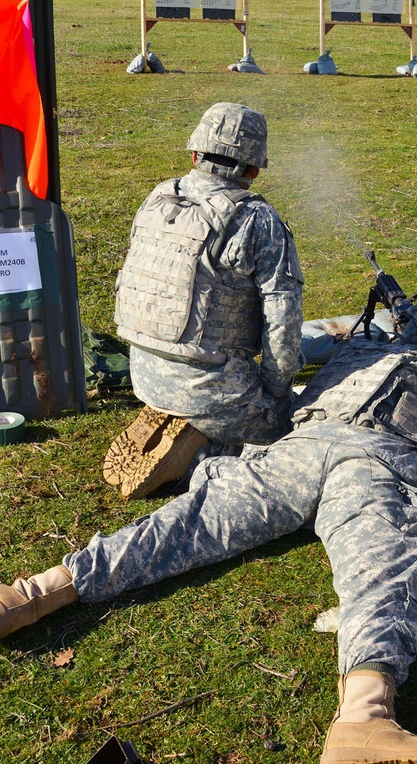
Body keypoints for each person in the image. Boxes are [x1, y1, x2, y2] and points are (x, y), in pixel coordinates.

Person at [0, 294, 417, 764]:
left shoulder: (359, 351)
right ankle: (364, 718)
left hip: (297, 452)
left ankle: (31, 594)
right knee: (381, 574)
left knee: (184, 526)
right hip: (377, 465)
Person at [104, 102, 304, 498]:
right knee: (292, 427)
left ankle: (178, 414)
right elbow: (283, 319)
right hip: (210, 382)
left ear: (195, 154)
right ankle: (195, 454)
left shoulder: (159, 197)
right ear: (254, 168)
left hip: (142, 371)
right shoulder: (256, 220)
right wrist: (276, 390)